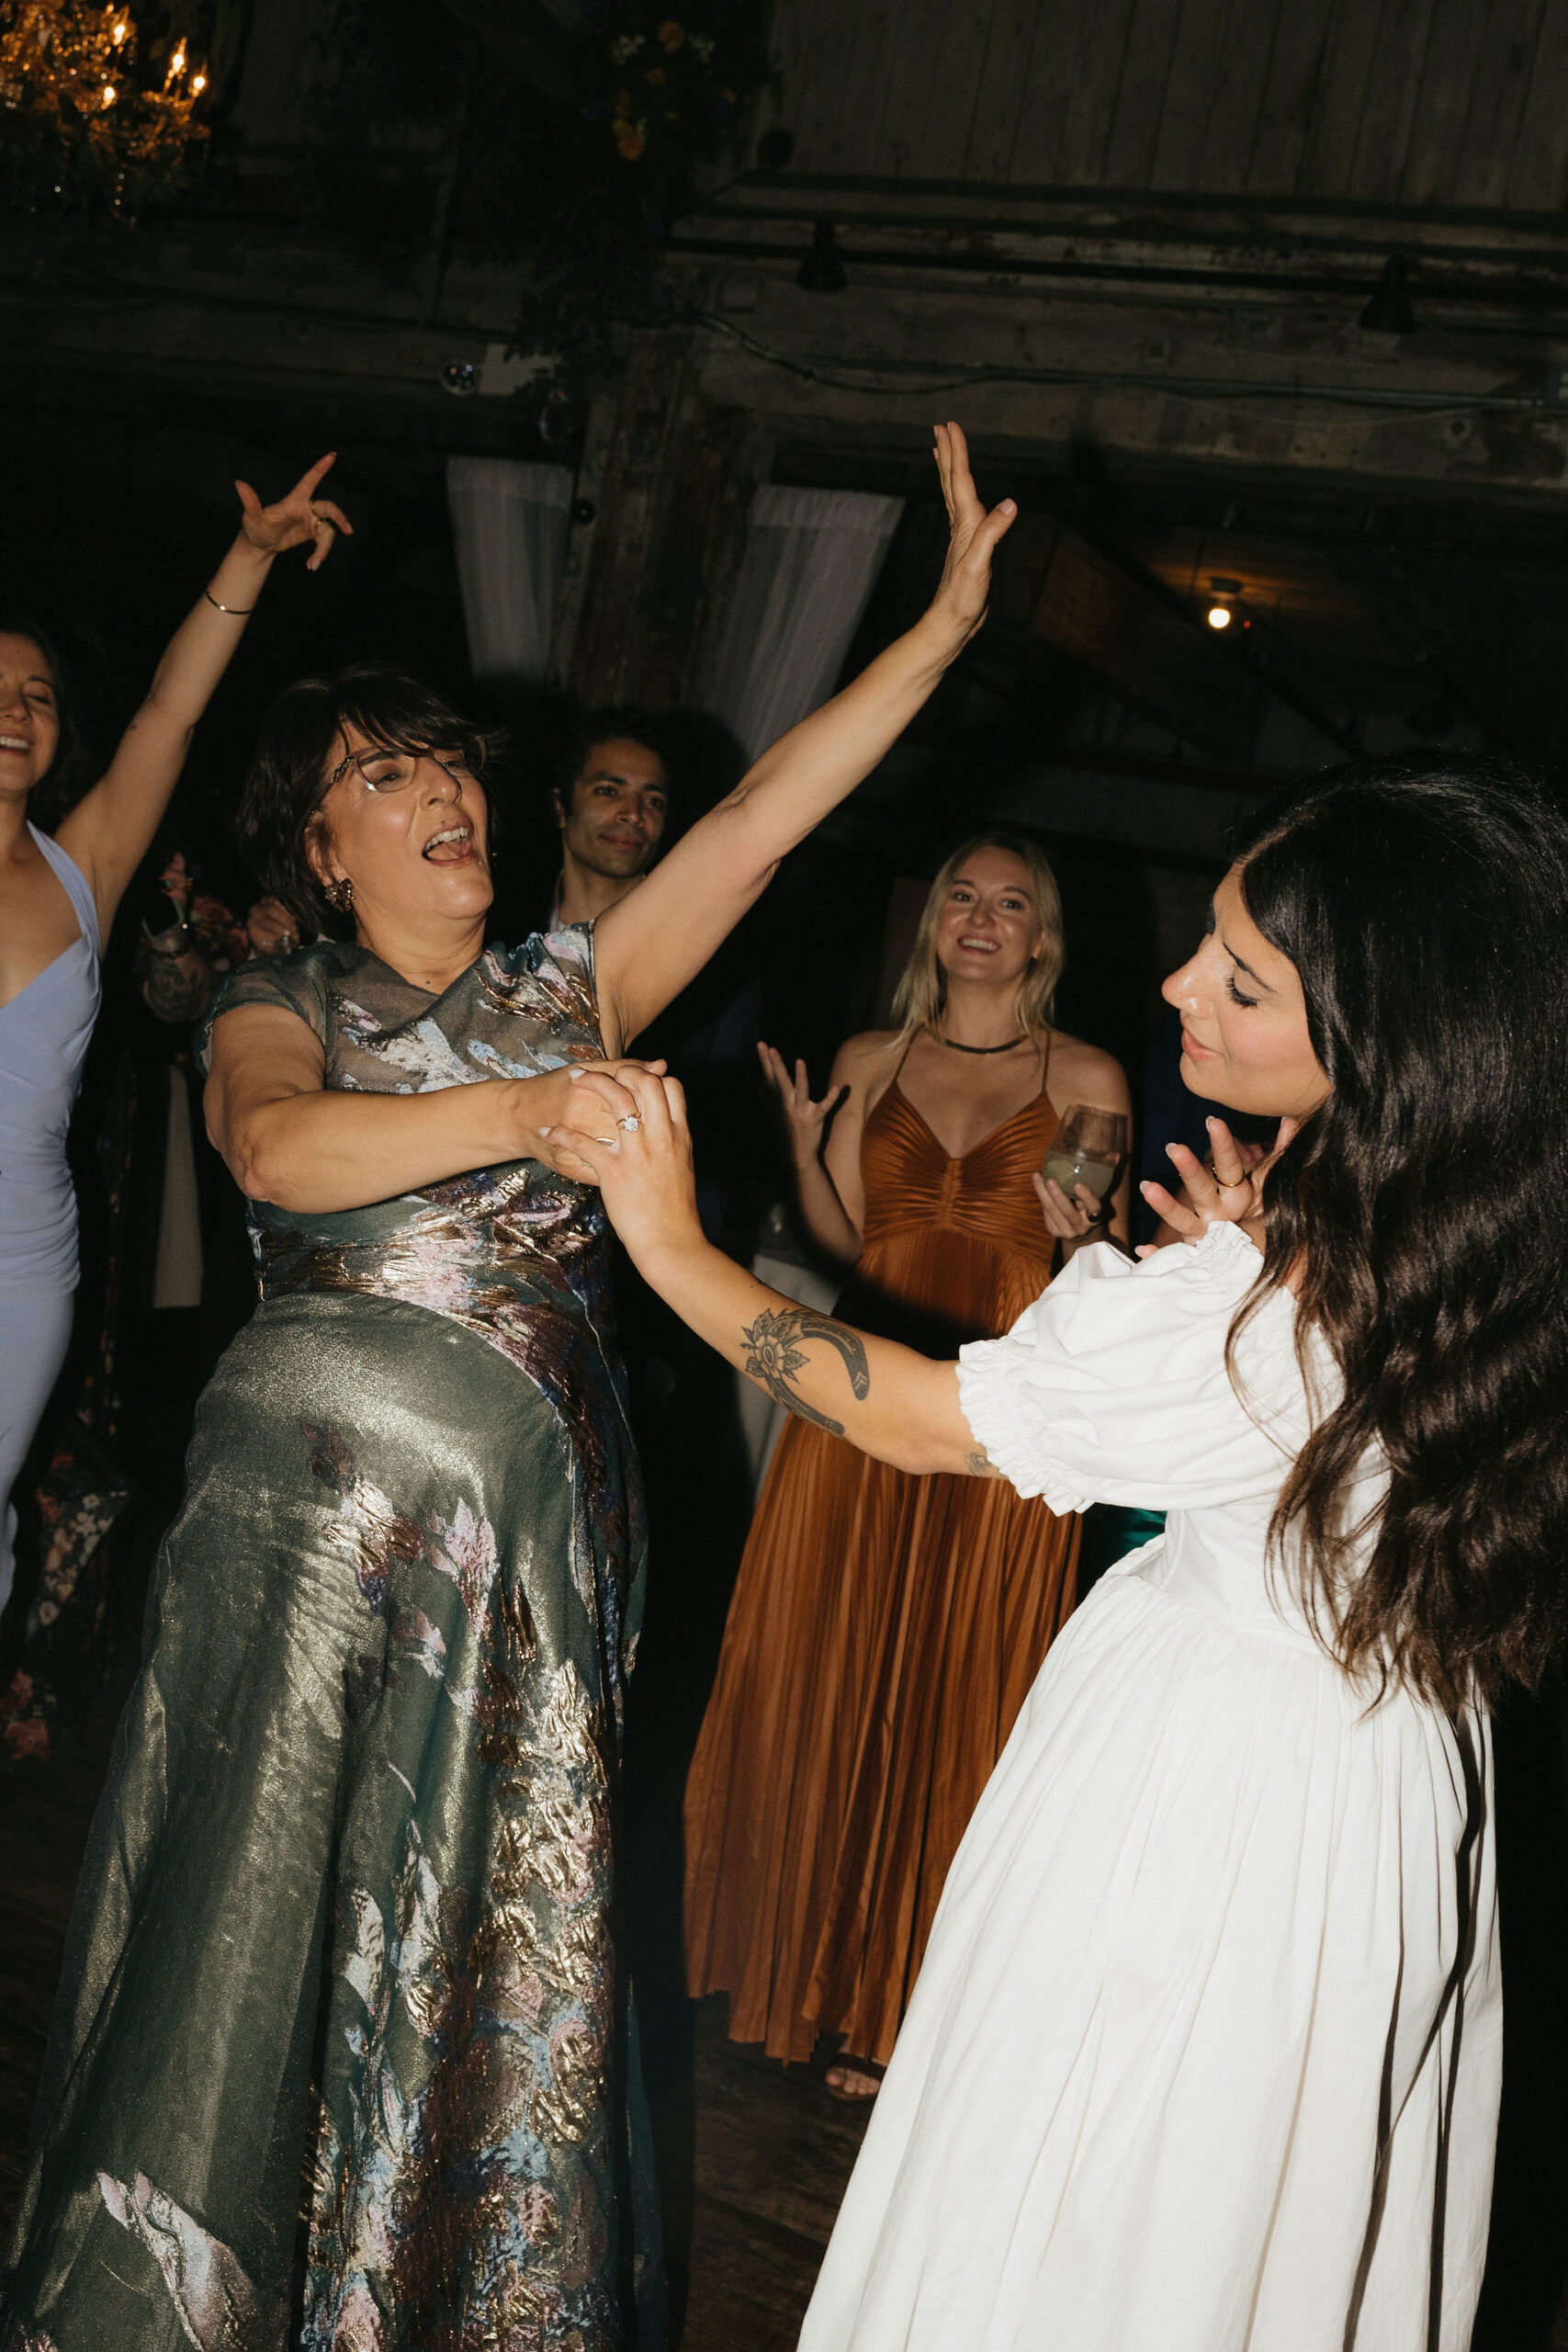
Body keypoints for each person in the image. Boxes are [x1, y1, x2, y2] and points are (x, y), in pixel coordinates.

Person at [0, 425, 1017, 2351]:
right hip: (298, 1553)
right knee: (252, 1939)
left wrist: (938, 630)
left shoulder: (581, 975)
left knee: (472, 1951)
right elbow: (281, 1156)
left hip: (515, 1563)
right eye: (384, 775)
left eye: (447, 756)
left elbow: (761, 822)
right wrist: (531, 1110)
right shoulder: (277, 999)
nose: (439, 786)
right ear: (323, 841)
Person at [569, 753, 1568, 2350]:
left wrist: (666, 1241)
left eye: (1236, 979)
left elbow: (915, 1418)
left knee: (1105, 2197)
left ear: (1374, 1046)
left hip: (1213, 1805)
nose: (1175, 980)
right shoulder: (1460, 1231)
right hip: (1365, 1781)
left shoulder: (1267, 1322)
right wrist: (1249, 1243)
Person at [683, 833, 1130, 2098]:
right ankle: (797, 1967)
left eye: (1009, 903)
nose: (980, 918)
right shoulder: (869, 1061)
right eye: (960, 897)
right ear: (932, 921)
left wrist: (1085, 1227)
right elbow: (847, 1245)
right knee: (824, 1658)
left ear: (1039, 937)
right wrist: (803, 1142)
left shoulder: (1085, 1070)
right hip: (865, 1382)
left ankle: (902, 2011)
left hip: (998, 1403)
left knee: (959, 1683)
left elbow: (1079, 1244)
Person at [0, 458, 349, 1619]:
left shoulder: (82, 868)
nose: (14, 710)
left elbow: (169, 713)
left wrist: (246, 558)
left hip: (20, 1258)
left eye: (38, 694)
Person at [547, 707, 673, 925]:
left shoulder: (689, 929)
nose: (634, 814)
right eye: (608, 791)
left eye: (653, 801)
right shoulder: (503, 928)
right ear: (560, 807)